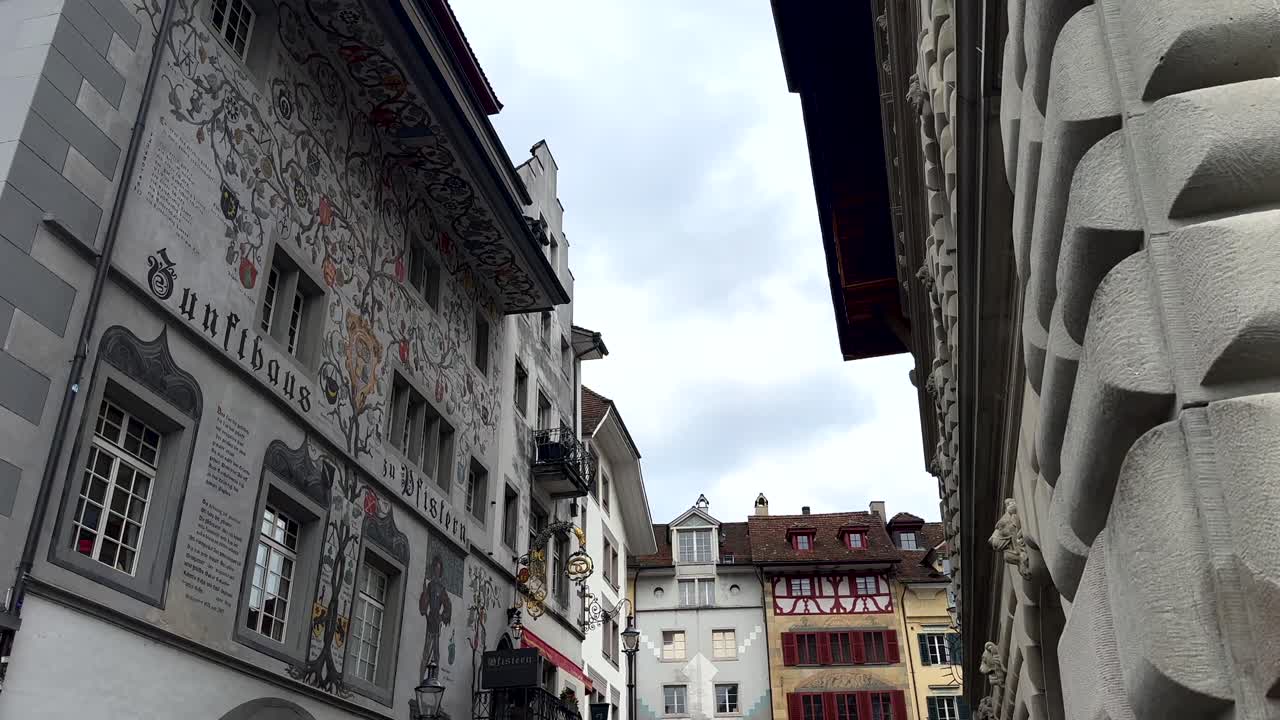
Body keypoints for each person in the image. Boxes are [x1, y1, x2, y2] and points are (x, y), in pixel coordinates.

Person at [420, 554, 452, 679]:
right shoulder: (430, 586)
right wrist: (425, 610)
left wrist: (442, 616)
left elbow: (447, 604)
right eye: (435, 569)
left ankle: (434, 681)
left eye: (439, 570)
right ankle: (421, 679)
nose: (437, 572)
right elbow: (424, 603)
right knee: (426, 653)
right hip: (430, 621)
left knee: (436, 655)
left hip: (436, 622)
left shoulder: (441, 589)